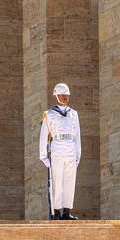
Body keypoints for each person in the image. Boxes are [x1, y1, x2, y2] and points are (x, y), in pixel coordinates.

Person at [37, 81, 81, 220]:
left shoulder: (74, 114)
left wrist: (78, 153)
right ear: (56, 96)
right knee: (56, 181)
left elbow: (77, 135)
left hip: (70, 147)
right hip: (57, 147)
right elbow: (43, 135)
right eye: (61, 95)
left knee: (69, 180)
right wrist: (43, 156)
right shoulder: (49, 114)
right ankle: (56, 212)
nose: (64, 97)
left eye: (66, 95)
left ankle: (66, 212)